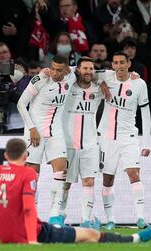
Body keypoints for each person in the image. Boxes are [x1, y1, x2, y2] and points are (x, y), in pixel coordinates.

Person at [0, 138, 151, 245]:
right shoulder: (27, 174)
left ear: (6, 155)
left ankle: (95, 224)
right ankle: (135, 239)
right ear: (26, 154)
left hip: (7, 237)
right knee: (89, 235)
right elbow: (27, 210)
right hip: (38, 234)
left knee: (86, 231)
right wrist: (33, 240)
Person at [17, 55, 77, 225]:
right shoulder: (41, 79)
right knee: (32, 175)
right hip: (34, 131)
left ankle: (55, 215)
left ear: (66, 70)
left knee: (61, 172)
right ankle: (30, 215)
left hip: (55, 132)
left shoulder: (72, 75)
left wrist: (132, 75)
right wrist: (31, 128)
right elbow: (21, 104)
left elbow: (91, 69)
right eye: (52, 68)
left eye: (59, 70)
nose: (54, 73)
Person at [97, 51, 151, 230]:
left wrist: (147, 142)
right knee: (107, 179)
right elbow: (81, 71)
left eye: (122, 62)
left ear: (129, 63)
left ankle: (141, 218)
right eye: (115, 63)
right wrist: (102, 83)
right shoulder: (106, 76)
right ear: (111, 65)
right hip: (107, 138)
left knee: (134, 174)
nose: (119, 66)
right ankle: (110, 220)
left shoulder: (139, 83)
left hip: (128, 137)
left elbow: (145, 114)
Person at [61, 57, 104, 227]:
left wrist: (133, 76)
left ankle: (86, 220)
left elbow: (111, 76)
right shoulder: (67, 87)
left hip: (90, 144)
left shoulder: (98, 89)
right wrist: (71, 69)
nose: (88, 72)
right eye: (84, 68)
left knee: (89, 181)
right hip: (68, 144)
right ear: (78, 70)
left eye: (91, 68)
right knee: (65, 183)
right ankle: (59, 216)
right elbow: (64, 72)